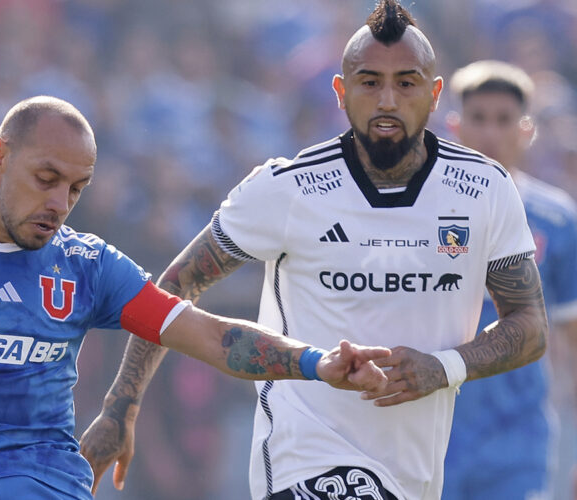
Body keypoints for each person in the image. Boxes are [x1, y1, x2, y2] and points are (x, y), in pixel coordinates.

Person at [0, 95, 392, 500]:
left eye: (77, 188)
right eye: (46, 178)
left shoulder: (86, 265)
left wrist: (317, 363)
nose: (60, 203)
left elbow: (208, 333)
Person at [79, 2, 549, 499]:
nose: (387, 99)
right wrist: (120, 405)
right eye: (369, 82)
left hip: (413, 474)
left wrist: (445, 367)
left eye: (406, 82)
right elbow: (175, 286)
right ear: (340, 91)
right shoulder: (287, 187)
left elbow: (530, 325)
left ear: (434, 94)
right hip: (304, 460)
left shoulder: (483, 189)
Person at [442, 60, 577, 500]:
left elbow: (573, 336)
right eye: (478, 119)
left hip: (517, 440)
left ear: (526, 129)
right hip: (430, 430)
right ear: (456, 126)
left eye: (503, 120)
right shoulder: (419, 215)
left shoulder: (556, 219)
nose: (490, 134)